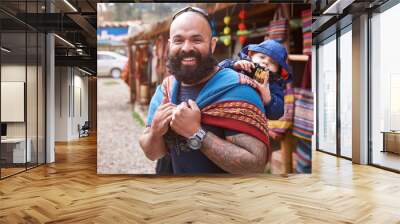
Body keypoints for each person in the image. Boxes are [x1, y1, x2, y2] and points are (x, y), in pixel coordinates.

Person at [139, 7, 270, 174]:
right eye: (178, 40)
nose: (186, 48)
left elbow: (255, 165)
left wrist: (196, 133)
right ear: (169, 45)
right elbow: (153, 153)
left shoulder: (239, 90)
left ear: (212, 44)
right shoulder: (165, 89)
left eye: (196, 40)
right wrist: (155, 133)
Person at [218, 39, 293, 121]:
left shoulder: (273, 84)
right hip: (224, 108)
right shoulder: (242, 67)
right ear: (251, 55)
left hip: (249, 120)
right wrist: (234, 65)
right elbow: (217, 70)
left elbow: (277, 114)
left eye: (273, 62)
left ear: (278, 70)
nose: (265, 62)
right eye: (262, 57)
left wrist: (266, 95)